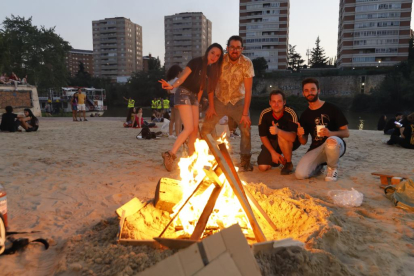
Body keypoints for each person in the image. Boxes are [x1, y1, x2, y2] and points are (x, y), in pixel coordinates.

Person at [159, 43, 224, 171]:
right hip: (183, 92)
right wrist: (172, 86)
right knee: (188, 128)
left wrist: (197, 105)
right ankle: (170, 154)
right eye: (212, 53)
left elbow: (201, 88)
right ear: (207, 52)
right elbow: (183, 77)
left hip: (194, 98)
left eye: (217, 55)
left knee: (195, 129)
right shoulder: (196, 62)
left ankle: (192, 158)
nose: (214, 57)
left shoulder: (211, 71)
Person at [200, 35, 255, 172]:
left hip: (238, 101)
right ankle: (208, 156)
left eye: (238, 48)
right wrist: (211, 107)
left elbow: (248, 90)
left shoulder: (247, 63)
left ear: (242, 49)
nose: (235, 50)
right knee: (206, 127)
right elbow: (211, 86)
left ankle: (245, 160)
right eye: (232, 47)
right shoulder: (219, 61)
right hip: (220, 100)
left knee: (246, 128)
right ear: (227, 48)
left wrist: (245, 114)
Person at [295, 78, 350, 182]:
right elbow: (303, 142)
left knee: (331, 140)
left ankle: (332, 169)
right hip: (316, 148)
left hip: (335, 145)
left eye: (312, 89)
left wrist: (330, 133)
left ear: (318, 90)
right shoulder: (305, 115)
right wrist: (300, 135)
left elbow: (346, 133)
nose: (310, 92)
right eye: (306, 90)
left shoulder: (332, 108)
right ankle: (318, 166)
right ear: (303, 93)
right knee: (300, 174)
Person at [257, 90, 300, 174]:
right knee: (262, 167)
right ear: (269, 103)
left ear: (284, 102)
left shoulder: (291, 113)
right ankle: (278, 159)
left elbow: (293, 137)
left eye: (279, 101)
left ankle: (288, 163)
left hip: (289, 141)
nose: (276, 105)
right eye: (273, 101)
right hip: (273, 142)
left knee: (281, 136)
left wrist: (278, 131)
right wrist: (273, 153)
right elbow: (263, 136)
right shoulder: (265, 114)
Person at [165, 65, 183, 139]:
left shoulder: (169, 81)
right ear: (178, 72)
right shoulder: (177, 80)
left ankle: (170, 134)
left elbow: (168, 92)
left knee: (172, 118)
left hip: (171, 97)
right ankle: (178, 134)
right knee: (178, 118)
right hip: (177, 97)